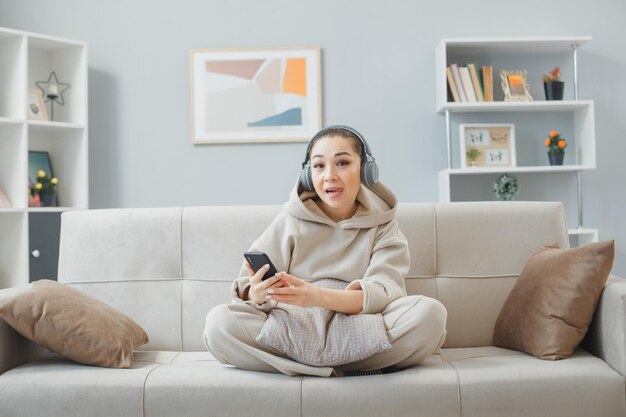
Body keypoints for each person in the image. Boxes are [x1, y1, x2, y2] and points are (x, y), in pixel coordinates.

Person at [203, 125, 447, 377]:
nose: (329, 175)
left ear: (366, 170)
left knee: (430, 315)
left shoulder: (384, 226)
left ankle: (301, 368)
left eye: (342, 163)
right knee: (219, 324)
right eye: (319, 166)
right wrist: (256, 293)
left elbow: (384, 293)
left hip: (359, 327)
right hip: (291, 326)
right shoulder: (290, 219)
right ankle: (347, 368)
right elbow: (247, 288)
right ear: (309, 175)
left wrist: (317, 296)